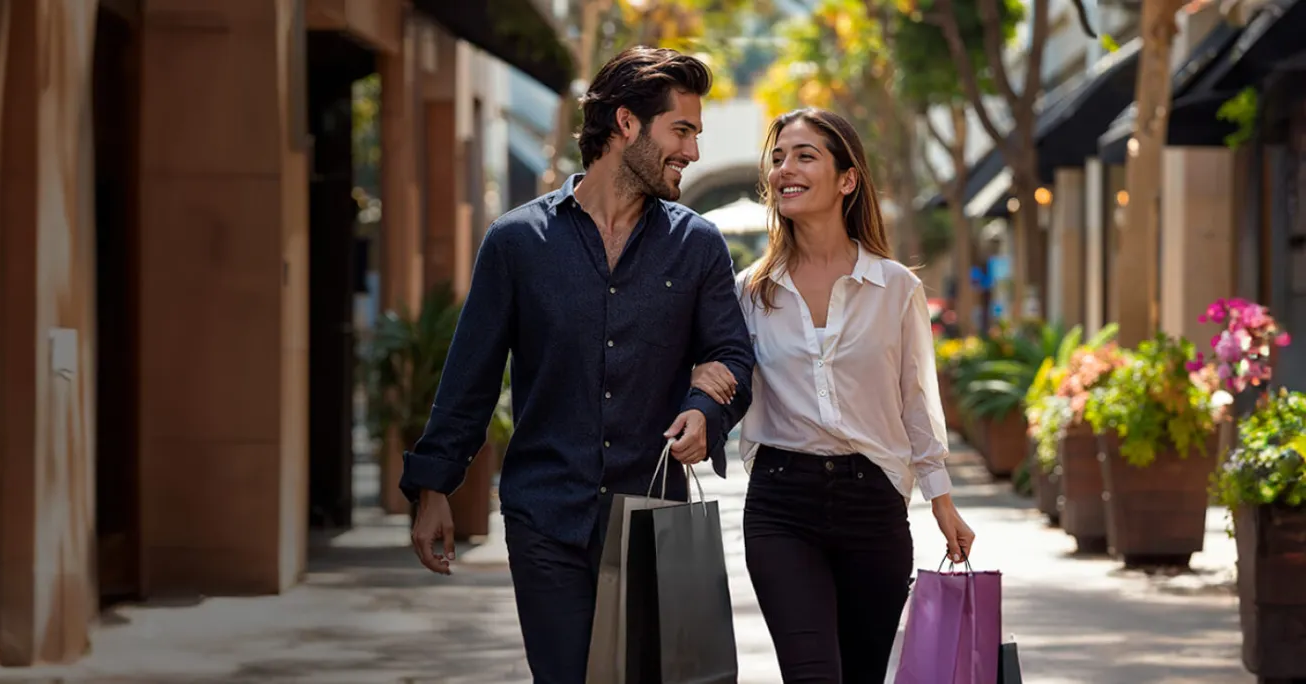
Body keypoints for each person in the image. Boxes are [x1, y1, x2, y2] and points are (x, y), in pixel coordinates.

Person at [398, 46, 755, 683]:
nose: (693, 152)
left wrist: (705, 411)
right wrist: (434, 488)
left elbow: (732, 355)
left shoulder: (696, 244)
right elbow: (470, 376)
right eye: (682, 131)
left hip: (651, 516)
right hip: (546, 517)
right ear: (625, 124)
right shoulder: (516, 243)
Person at [691, 107, 977, 683]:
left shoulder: (896, 288)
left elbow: (916, 400)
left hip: (873, 504)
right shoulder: (749, 291)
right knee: (813, 674)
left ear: (847, 179)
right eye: (777, 158)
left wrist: (941, 499)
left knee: (862, 674)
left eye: (804, 155)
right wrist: (702, 388)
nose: (784, 169)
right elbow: (728, 375)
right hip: (780, 503)